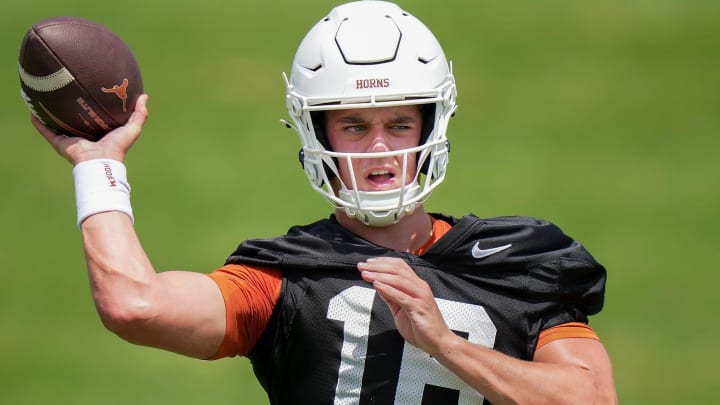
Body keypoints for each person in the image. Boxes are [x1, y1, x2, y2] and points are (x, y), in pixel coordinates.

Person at [32, 1, 617, 404]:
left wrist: (442, 344)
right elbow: (134, 305)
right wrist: (99, 166)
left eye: (399, 122)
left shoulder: (519, 260)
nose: (380, 148)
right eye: (355, 127)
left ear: (431, 127)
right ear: (318, 136)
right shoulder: (284, 279)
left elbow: (591, 397)